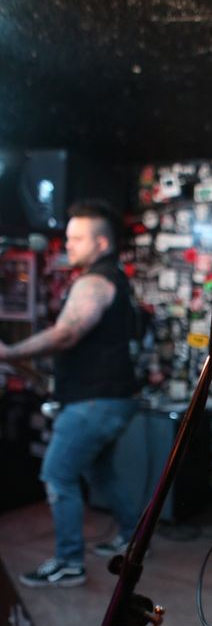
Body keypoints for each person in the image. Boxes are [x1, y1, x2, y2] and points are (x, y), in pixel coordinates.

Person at [0, 199, 139, 586]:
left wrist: (9, 352)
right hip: (110, 398)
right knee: (101, 472)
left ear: (101, 243)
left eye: (77, 238)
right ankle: (132, 539)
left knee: (57, 474)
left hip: (95, 402)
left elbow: (66, 334)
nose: (67, 245)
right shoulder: (114, 279)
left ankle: (69, 563)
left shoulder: (95, 282)